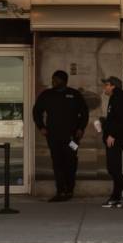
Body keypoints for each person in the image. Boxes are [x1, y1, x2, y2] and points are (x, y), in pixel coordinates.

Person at [33, 70, 90, 202]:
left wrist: (81, 128)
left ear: (64, 81)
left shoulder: (74, 94)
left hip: (73, 138)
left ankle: (69, 190)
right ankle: (60, 191)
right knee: (57, 162)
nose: (53, 82)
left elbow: (84, 112)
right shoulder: (47, 94)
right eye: (53, 79)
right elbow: (36, 112)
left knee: (71, 161)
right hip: (53, 137)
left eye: (56, 80)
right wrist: (41, 127)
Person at [100, 76, 123, 208]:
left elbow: (121, 119)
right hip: (115, 136)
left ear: (113, 86)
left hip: (116, 138)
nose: (104, 87)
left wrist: (112, 134)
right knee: (115, 168)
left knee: (113, 168)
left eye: (106, 85)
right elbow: (114, 118)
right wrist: (104, 123)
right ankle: (115, 197)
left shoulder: (118, 97)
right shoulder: (115, 97)